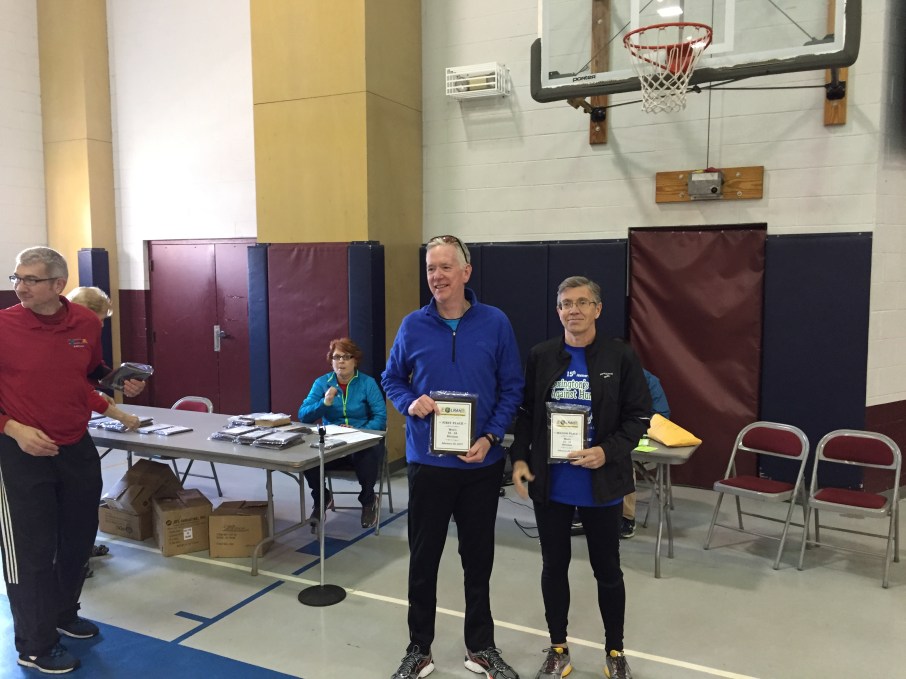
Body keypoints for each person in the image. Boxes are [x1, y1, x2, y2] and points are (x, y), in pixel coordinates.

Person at [382, 235, 524, 679]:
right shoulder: (412, 325)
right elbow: (391, 378)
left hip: (481, 466)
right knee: (423, 560)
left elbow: (512, 387)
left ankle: (480, 647)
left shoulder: (495, 322)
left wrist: (491, 436)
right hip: (428, 466)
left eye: (445, 267)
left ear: (466, 271)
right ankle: (419, 649)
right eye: (430, 268)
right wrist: (409, 402)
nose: (437, 276)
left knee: (478, 560)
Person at [509, 275, 650, 679]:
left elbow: (639, 417)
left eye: (582, 302)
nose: (574, 310)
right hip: (553, 485)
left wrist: (607, 451)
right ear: (558, 311)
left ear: (597, 309)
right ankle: (558, 648)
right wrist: (519, 459)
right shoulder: (541, 355)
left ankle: (615, 651)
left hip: (602, 485)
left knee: (608, 571)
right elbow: (526, 414)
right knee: (554, 567)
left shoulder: (620, 357)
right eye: (566, 303)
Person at [0, 248, 110, 674]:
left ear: (58, 284)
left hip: (75, 445)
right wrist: (13, 428)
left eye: (31, 279)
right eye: (17, 278)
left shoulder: (85, 322)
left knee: (78, 537)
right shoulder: (4, 326)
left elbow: (89, 371)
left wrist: (117, 381)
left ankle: (64, 613)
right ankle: (34, 644)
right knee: (31, 551)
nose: (20, 287)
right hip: (20, 452)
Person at [298, 337, 387, 528]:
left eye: (346, 357)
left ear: (355, 360)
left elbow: (380, 417)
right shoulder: (322, 383)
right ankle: (321, 498)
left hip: (362, 442)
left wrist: (359, 431)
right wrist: (325, 403)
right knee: (309, 457)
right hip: (333, 444)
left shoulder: (367, 383)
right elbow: (303, 415)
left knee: (368, 454)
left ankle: (368, 500)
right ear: (331, 360)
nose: (341, 362)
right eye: (336, 357)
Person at [618, 369, 670, 539]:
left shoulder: (649, 381)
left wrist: (635, 427)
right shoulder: (602, 375)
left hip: (640, 434)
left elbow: (662, 416)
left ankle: (626, 517)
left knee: (623, 461)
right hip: (611, 435)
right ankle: (580, 509)